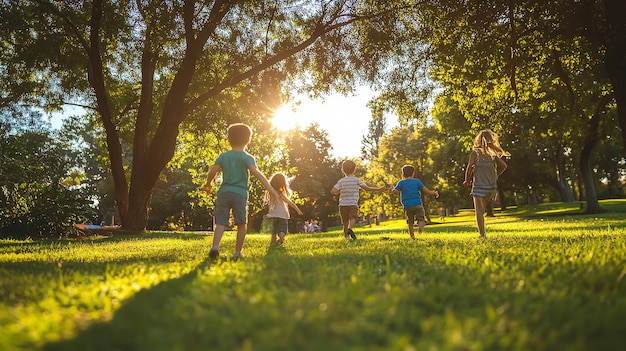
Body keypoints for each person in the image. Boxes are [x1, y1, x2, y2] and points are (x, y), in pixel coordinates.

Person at [201, 123, 279, 260]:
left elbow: (213, 170)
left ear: (228, 140)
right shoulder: (247, 157)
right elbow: (257, 173)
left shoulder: (224, 156)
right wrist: (270, 189)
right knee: (241, 223)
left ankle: (215, 247)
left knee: (220, 222)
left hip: (223, 192)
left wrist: (208, 184)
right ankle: (237, 252)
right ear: (248, 140)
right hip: (240, 194)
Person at [463, 129, 509, 238]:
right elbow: (504, 166)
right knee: (482, 210)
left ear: (478, 140)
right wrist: (495, 175)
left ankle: (482, 235)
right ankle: (482, 233)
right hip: (491, 188)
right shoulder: (492, 154)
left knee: (478, 212)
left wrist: (467, 180)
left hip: (479, 187)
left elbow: (469, 168)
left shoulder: (475, 153)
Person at [331, 160, 386, 239]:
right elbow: (367, 189)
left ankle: (346, 236)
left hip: (343, 204)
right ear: (354, 170)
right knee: (352, 218)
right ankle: (350, 229)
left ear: (342, 170)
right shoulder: (357, 180)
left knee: (345, 221)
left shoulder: (341, 181)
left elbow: (333, 191)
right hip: (352, 203)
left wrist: (338, 191)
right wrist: (379, 189)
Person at [391, 164, 439, 239]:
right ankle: (420, 226)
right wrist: (433, 193)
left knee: (410, 222)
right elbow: (425, 190)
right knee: (421, 219)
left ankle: (412, 237)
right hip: (417, 204)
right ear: (413, 173)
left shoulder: (401, 183)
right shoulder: (417, 181)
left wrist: (393, 189)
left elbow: (396, 192)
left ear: (403, 174)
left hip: (407, 206)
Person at [265, 172, 303, 245]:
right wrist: (297, 209)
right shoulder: (281, 194)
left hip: (273, 215)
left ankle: (273, 241)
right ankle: (281, 239)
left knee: (273, 230)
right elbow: (289, 203)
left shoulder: (270, 192)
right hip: (282, 215)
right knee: (282, 228)